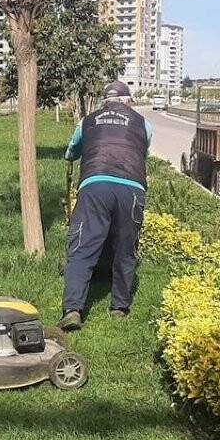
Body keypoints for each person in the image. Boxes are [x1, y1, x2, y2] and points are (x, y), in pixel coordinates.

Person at [58, 80, 154, 331]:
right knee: (125, 247)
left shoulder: (87, 121)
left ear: (105, 102)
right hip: (132, 188)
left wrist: (72, 156)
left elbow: (71, 151)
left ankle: (73, 309)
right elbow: (142, 152)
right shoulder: (143, 123)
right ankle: (119, 308)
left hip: (95, 185)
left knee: (82, 246)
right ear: (128, 101)